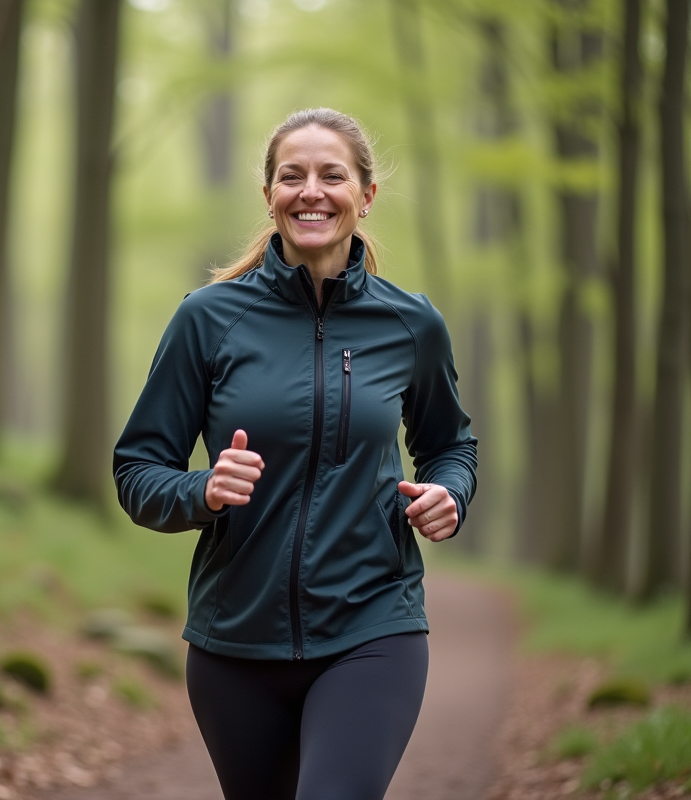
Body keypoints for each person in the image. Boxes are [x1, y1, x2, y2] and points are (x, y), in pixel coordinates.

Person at [112, 107, 477, 800]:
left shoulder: (410, 324)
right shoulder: (209, 319)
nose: (311, 190)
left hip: (374, 623)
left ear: (365, 196)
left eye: (331, 175)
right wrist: (202, 491)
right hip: (234, 643)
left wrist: (449, 493)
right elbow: (137, 469)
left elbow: (449, 444)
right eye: (292, 176)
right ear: (270, 194)